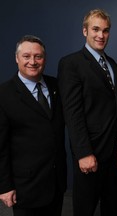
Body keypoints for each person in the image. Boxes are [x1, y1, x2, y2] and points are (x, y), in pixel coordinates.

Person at [57, 9, 117, 216]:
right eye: (95, 29)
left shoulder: (112, 64)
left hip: (115, 155)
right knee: (85, 209)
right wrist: (84, 152)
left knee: (112, 208)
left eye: (105, 30)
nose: (101, 35)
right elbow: (72, 112)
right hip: (90, 153)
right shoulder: (71, 63)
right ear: (84, 31)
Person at [0, 35, 67, 216]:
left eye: (38, 56)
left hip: (55, 183)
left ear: (44, 59)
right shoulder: (4, 94)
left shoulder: (56, 85)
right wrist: (4, 186)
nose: (33, 61)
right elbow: (1, 146)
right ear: (17, 58)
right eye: (26, 56)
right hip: (26, 187)